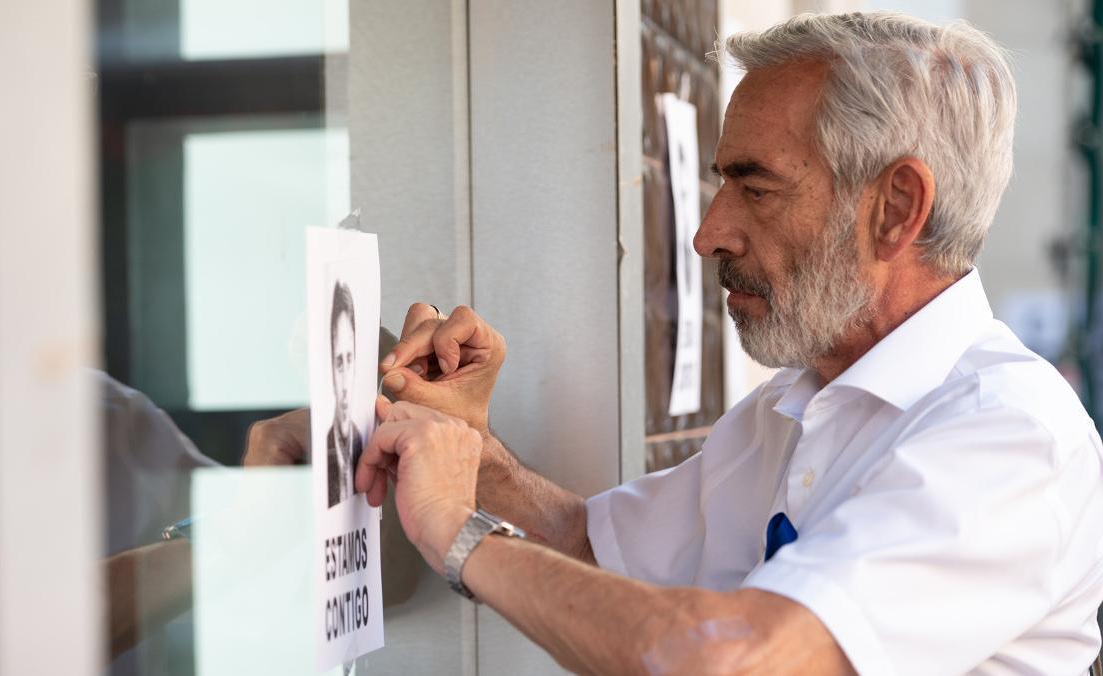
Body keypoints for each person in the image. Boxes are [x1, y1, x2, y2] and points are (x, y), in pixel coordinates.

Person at [357, 12, 1103, 675]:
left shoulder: (1013, 435)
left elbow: (733, 660)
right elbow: (594, 549)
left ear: (896, 208)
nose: (708, 233)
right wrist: (465, 445)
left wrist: (462, 536)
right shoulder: (790, 407)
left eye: (757, 187)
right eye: (721, 183)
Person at [327, 279, 364, 508]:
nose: (344, 384)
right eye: (339, 362)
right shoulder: (322, 451)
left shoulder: (366, 440)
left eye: (349, 359)